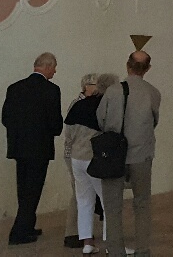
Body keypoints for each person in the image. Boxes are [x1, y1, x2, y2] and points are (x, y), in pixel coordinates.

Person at [99, 51, 161, 257]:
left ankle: (116, 251)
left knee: (112, 206)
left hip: (113, 156)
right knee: (142, 203)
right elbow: (154, 121)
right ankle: (142, 250)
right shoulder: (153, 93)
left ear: (128, 65)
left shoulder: (113, 91)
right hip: (141, 154)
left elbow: (101, 119)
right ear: (148, 69)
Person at [1, 52, 63, 245]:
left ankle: (27, 225)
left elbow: (6, 118)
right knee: (33, 190)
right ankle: (18, 232)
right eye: (54, 68)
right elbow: (55, 124)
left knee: (24, 188)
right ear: (47, 66)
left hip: (19, 147)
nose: (55, 71)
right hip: (40, 148)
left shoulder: (15, 88)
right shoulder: (51, 90)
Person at [64, 73, 118, 254]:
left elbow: (68, 135)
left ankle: (87, 243)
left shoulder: (78, 104)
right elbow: (112, 132)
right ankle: (112, 245)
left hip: (76, 158)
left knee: (84, 201)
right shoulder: (105, 106)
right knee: (108, 201)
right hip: (96, 160)